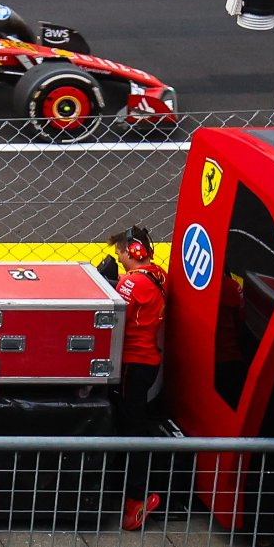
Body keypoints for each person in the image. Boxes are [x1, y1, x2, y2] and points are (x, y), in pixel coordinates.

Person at [101, 226, 166, 530]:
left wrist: (103, 282)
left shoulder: (131, 282)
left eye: (121, 254)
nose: (120, 259)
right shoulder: (159, 275)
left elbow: (111, 313)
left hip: (132, 364)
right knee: (135, 423)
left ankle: (135, 501)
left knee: (131, 429)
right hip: (148, 362)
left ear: (133, 251)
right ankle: (130, 495)